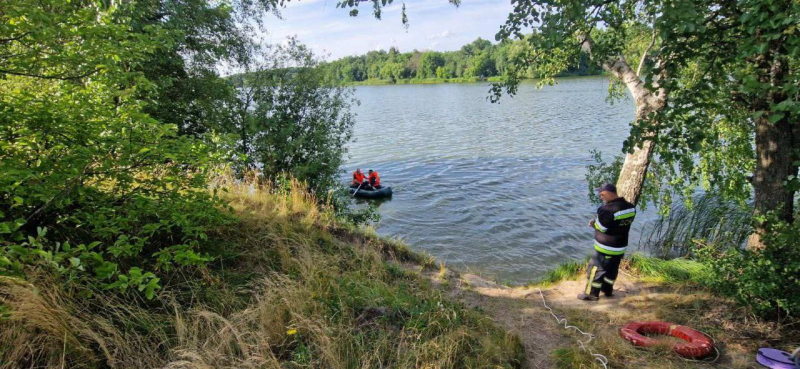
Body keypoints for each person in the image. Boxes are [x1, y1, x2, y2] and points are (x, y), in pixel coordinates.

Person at [578, 183, 636, 301]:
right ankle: (607, 289)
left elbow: (602, 227)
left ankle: (591, 294)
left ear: (609, 194)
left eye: (602, 194)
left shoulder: (606, 209)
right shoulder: (631, 208)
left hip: (606, 247)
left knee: (595, 269)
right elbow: (618, 223)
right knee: (612, 268)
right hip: (620, 246)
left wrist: (594, 223)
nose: (601, 196)